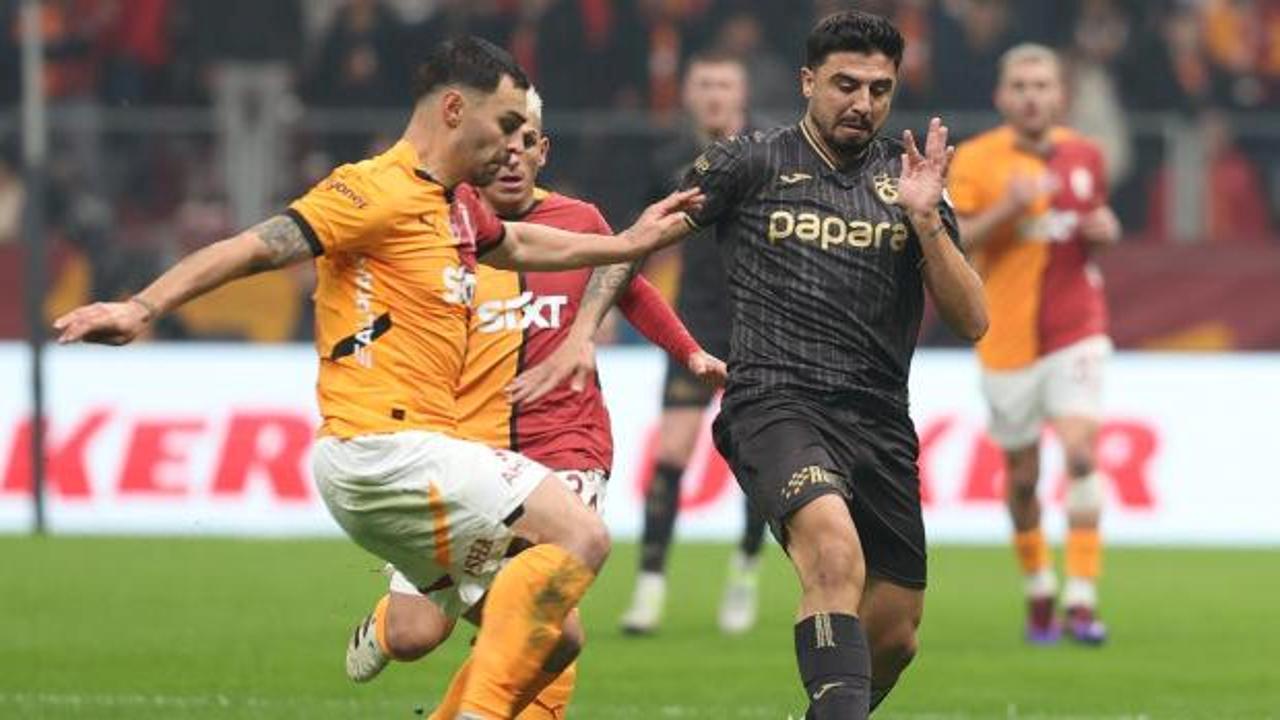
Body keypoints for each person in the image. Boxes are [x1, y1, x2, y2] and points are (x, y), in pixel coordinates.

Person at [53, 37, 701, 720]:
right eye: (505, 122)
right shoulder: (372, 189)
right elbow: (253, 247)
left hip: (399, 464)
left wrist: (628, 243)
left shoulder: (455, 204)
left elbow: (519, 243)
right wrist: (142, 307)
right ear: (455, 110)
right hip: (386, 449)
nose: (513, 144)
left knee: (554, 637)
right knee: (584, 537)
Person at [510, 11, 987, 718]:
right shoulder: (750, 161)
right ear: (807, 82)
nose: (862, 103)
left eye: (879, 89)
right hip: (773, 402)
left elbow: (973, 320)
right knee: (834, 557)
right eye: (845, 84)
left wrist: (925, 221)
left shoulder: (911, 179)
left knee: (894, 632)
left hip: (880, 419)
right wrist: (584, 329)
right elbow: (640, 238)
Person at [341, 87, 725, 719]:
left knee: (543, 625)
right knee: (415, 636)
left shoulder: (580, 222)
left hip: (565, 448)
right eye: (500, 143)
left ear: (543, 150)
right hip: (468, 450)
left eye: (526, 143)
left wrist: (689, 352)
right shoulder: (438, 223)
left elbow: (628, 283)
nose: (512, 156)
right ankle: (387, 624)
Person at [947, 43, 1121, 646]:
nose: (1031, 96)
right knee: (1022, 478)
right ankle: (1040, 587)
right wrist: (1007, 208)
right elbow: (954, 242)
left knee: (1081, 455)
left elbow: (1089, 227)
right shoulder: (976, 159)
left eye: (1042, 85)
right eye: (1020, 86)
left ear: (1060, 95)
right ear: (1002, 96)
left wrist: (1105, 231)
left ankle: (1082, 600)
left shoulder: (1085, 154)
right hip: (1005, 338)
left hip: (1077, 327)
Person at [619, 51, 769, 637]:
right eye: (704, 84)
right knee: (671, 457)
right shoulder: (669, 164)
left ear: (741, 94)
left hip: (760, 329)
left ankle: (745, 572)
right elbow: (637, 242)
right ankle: (649, 587)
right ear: (687, 93)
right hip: (695, 327)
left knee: (758, 460)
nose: (713, 94)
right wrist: (606, 304)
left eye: (723, 84)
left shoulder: (769, 157)